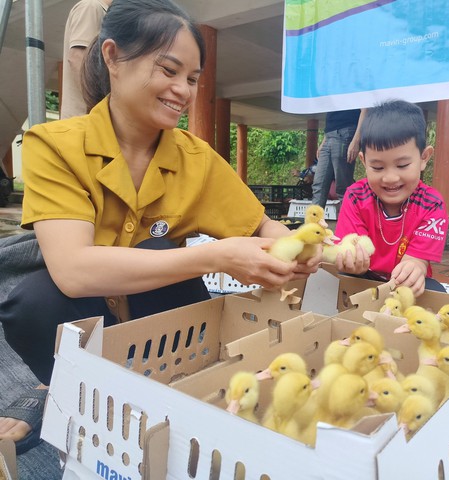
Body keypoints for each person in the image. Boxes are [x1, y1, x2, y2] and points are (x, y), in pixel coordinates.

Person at [0, 0, 321, 454]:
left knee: (158, 253)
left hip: (162, 318)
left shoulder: (197, 159)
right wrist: (216, 254)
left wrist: (308, 247)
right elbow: (74, 270)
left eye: (191, 79)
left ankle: (175, 397)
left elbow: (265, 228)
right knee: (35, 300)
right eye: (168, 70)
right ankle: (76, 400)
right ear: (112, 57)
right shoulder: (53, 146)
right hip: (82, 309)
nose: (183, 90)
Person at [333, 100, 448, 296]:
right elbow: (349, 248)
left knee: (436, 291)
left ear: (424, 158)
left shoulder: (432, 204)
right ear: (364, 161)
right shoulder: (355, 197)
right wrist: (352, 262)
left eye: (402, 165)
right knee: (338, 282)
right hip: (363, 279)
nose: (390, 178)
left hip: (405, 285)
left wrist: (415, 265)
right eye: (377, 167)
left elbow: (417, 260)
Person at [61, 0, 112, 119]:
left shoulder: (102, 11)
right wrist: (100, 107)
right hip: (86, 118)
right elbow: (78, 59)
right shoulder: (91, 7)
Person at [311, 108, 366, 208]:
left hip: (346, 132)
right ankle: (314, 223)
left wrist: (356, 140)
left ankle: (348, 221)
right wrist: (324, 141)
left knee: (343, 187)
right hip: (329, 135)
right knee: (319, 185)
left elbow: (365, 109)